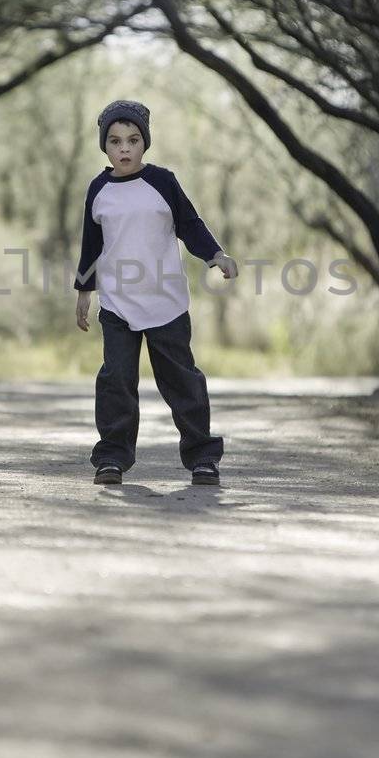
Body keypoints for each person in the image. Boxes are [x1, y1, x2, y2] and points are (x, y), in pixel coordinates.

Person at [73, 99, 238, 486]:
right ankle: (112, 457)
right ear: (105, 146)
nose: (124, 148)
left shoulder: (162, 182)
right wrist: (84, 290)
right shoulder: (99, 189)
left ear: (145, 143)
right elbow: (91, 245)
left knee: (182, 381)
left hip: (166, 302)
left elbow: (190, 224)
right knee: (115, 380)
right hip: (116, 303)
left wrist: (217, 255)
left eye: (133, 140)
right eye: (115, 141)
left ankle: (202, 457)